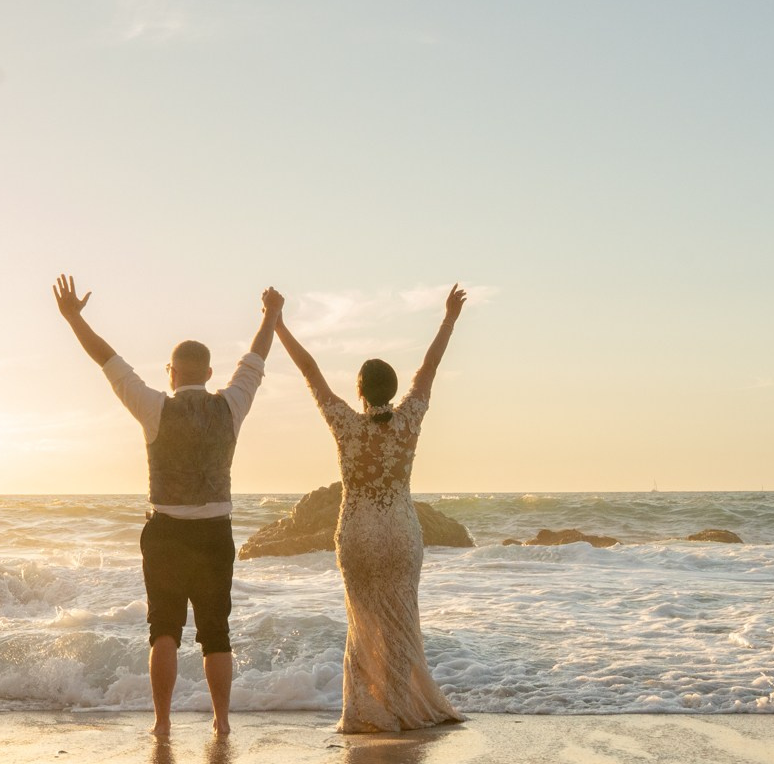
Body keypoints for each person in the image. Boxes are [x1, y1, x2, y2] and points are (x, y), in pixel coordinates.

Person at [54, 274, 278, 737]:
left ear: (172, 373)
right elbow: (255, 361)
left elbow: (109, 361)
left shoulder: (154, 407)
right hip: (216, 533)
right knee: (217, 633)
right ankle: (221, 722)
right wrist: (271, 315)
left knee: (164, 630)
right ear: (209, 373)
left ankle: (161, 723)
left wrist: (75, 318)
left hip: (167, 534)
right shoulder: (231, 405)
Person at [268, 284, 467, 734]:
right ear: (393, 391)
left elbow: (310, 370)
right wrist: (449, 318)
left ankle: (365, 713)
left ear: (358, 391)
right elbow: (430, 367)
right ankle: (398, 708)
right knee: (400, 623)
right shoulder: (410, 419)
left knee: (363, 625)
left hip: (358, 532)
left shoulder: (345, 424)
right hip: (399, 531)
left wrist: (278, 324)